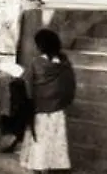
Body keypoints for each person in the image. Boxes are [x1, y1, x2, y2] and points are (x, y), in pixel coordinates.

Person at [20, 28, 76, 173]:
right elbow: (70, 86)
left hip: (40, 111)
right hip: (58, 111)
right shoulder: (64, 63)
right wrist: (63, 102)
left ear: (41, 45)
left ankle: (39, 170)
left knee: (39, 145)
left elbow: (27, 85)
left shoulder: (36, 63)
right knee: (55, 144)